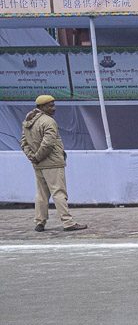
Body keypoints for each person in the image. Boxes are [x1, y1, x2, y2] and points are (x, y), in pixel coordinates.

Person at [20, 94, 86, 232]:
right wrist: (37, 156)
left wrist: (33, 157)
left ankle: (40, 222)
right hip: (53, 163)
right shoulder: (49, 121)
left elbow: (24, 143)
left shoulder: (28, 121)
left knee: (41, 194)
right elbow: (48, 144)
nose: (54, 108)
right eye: (50, 106)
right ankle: (68, 222)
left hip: (38, 164)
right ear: (42, 107)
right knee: (59, 192)